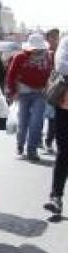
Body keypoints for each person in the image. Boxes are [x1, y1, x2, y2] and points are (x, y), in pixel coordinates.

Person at [6, 32, 52, 161]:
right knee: (23, 121)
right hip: (23, 93)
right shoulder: (20, 57)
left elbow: (51, 73)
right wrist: (12, 92)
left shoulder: (48, 57)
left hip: (41, 93)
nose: (37, 51)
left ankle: (32, 150)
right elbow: (11, 74)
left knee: (36, 122)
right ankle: (20, 145)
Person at [44, 35, 68, 216]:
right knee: (64, 152)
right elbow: (61, 65)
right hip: (66, 106)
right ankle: (56, 197)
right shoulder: (66, 40)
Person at [43, 28, 60, 152]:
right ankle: (39, 140)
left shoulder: (62, 52)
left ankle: (49, 141)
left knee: (53, 118)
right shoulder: (44, 52)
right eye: (52, 37)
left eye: (56, 37)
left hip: (57, 89)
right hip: (43, 88)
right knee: (41, 117)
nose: (55, 39)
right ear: (47, 38)